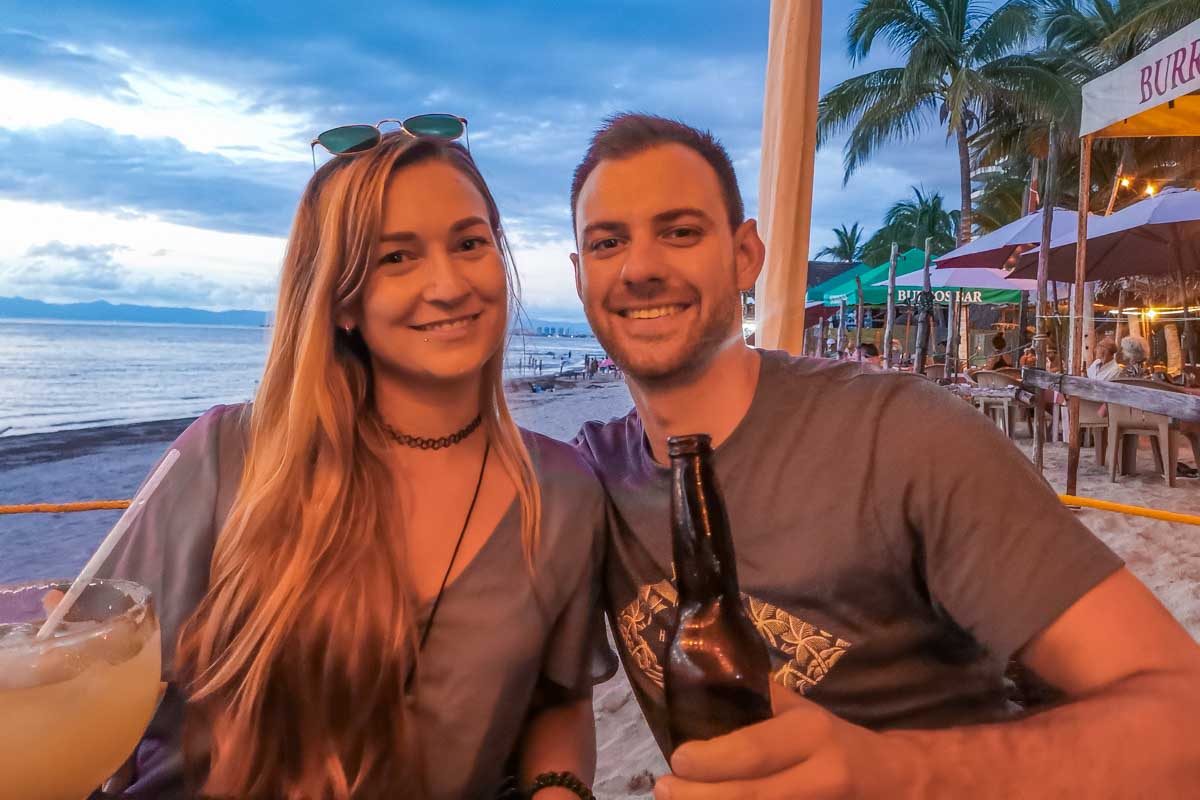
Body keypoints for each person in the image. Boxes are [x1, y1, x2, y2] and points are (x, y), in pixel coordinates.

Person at [568, 113, 1200, 798]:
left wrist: (897, 772)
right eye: (608, 243)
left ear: (745, 253)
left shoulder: (900, 436)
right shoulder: (586, 480)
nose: (640, 268)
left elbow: (1182, 721)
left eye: (680, 232)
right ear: (579, 275)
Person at [97, 129, 607, 799]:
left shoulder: (563, 494)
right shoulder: (227, 458)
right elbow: (92, 678)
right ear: (340, 301)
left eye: (469, 243)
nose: (449, 284)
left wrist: (561, 789)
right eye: (397, 256)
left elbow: (556, 699)